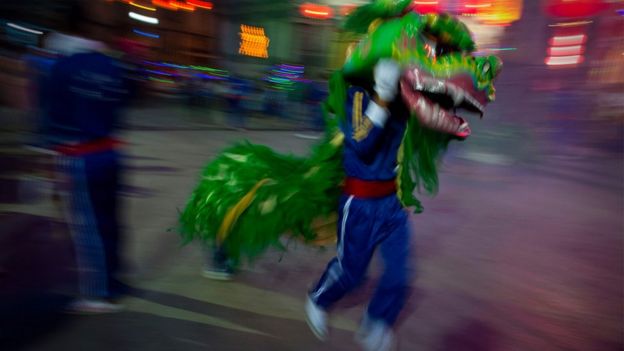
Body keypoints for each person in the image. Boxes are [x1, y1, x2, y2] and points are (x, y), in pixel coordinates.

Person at [305, 60, 408, 351]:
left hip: (392, 203)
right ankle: (318, 298)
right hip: (360, 202)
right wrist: (383, 95)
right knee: (353, 273)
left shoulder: (407, 95)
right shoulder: (357, 94)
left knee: (400, 274)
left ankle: (376, 321)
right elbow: (361, 142)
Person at [43, 2, 131, 313]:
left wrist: (50, 163)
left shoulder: (61, 67)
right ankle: (116, 280)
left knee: (89, 227)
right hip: (111, 152)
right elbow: (122, 103)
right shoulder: (111, 65)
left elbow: (54, 119)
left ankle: (98, 294)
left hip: (81, 157)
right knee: (111, 222)